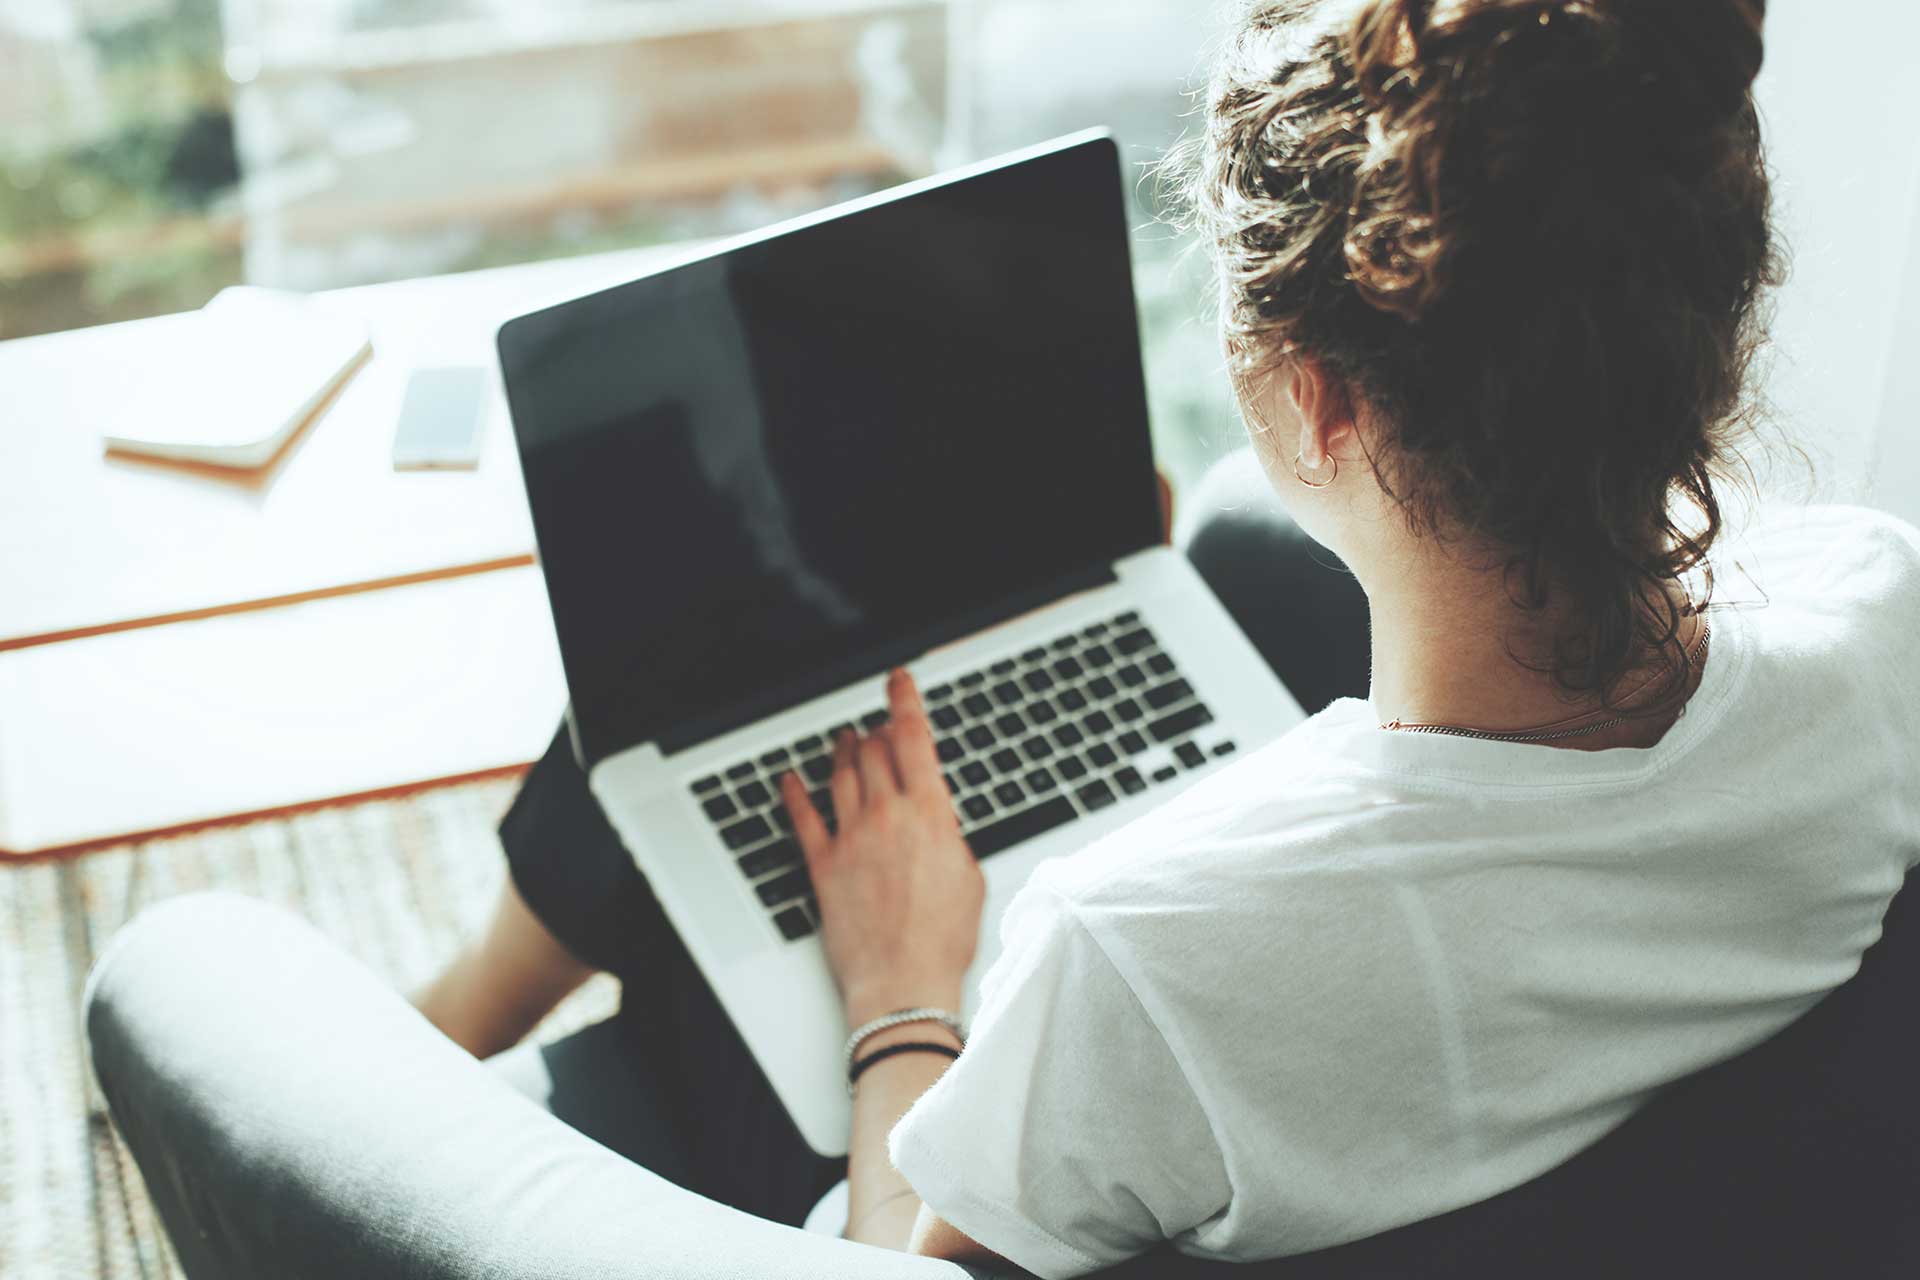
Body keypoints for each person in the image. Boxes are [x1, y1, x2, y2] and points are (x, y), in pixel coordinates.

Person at [413, 0, 1920, 1275]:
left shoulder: (1138, 960)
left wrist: (905, 996)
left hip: (861, 1168)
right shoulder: (1880, 616)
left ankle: (442, 1040)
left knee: (712, 672)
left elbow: (895, 1251)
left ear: (1320, 400)